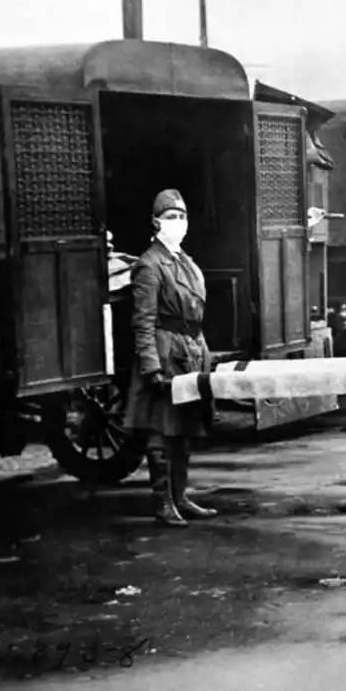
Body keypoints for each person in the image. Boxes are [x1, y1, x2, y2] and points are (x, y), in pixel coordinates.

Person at [124, 189, 217, 527]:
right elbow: (143, 321)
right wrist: (151, 366)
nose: (177, 222)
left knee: (185, 429)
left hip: (189, 350)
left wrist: (204, 355)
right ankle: (162, 501)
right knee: (161, 432)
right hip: (165, 353)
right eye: (170, 216)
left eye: (182, 216)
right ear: (156, 222)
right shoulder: (150, 264)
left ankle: (180, 497)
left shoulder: (185, 262)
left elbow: (195, 313)